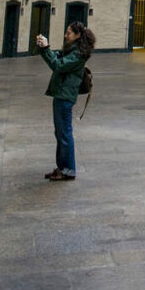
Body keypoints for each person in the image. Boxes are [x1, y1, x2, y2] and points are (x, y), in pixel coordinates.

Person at [35, 20, 96, 181]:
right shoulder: (73, 49)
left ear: (77, 35)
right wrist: (44, 49)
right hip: (62, 93)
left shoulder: (77, 54)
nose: (65, 35)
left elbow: (58, 65)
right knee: (61, 132)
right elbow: (56, 57)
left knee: (64, 133)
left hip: (65, 95)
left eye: (69, 32)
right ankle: (62, 167)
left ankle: (68, 170)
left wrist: (45, 49)